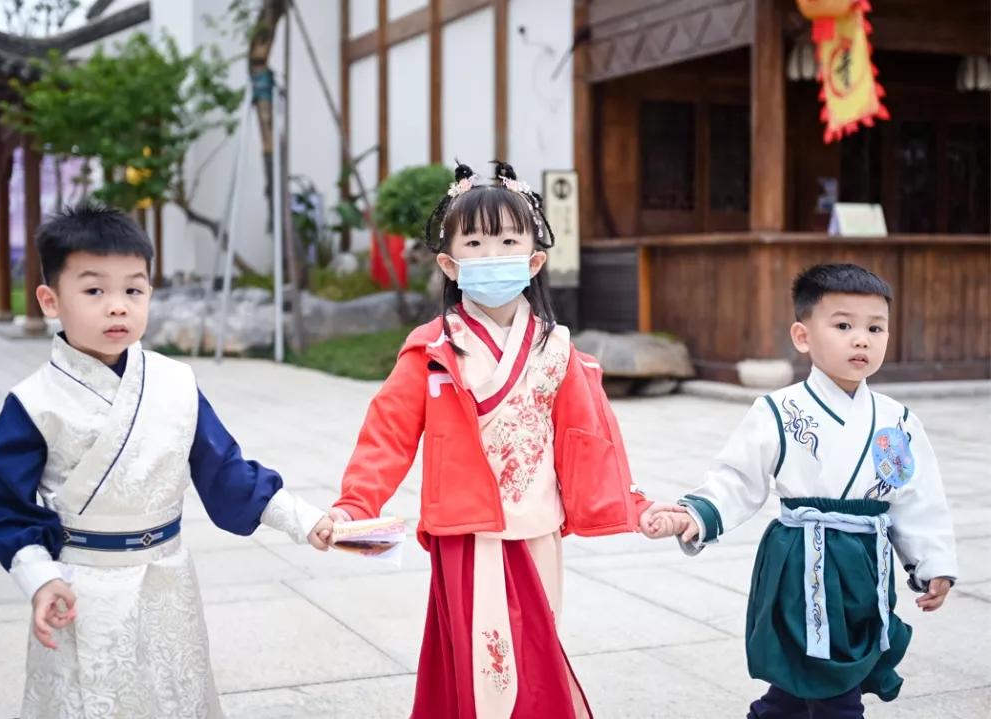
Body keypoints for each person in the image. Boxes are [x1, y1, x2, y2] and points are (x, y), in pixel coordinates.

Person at [328, 161, 681, 719]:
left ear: (534, 259)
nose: (492, 254)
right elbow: (387, 432)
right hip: (467, 533)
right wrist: (356, 503)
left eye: (508, 240)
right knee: (485, 665)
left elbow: (589, 441)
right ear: (449, 263)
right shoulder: (431, 349)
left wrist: (635, 506)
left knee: (536, 646)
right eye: (474, 241)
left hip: (539, 527)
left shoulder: (558, 351)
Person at [0, 201, 333, 719]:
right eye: (95, 290)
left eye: (133, 289)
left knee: (175, 694)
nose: (118, 306)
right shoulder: (34, 403)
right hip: (82, 586)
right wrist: (40, 577)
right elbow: (10, 507)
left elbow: (226, 472)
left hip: (168, 579)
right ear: (51, 299)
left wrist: (304, 519)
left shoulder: (175, 383)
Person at [647, 263, 958, 719]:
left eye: (876, 327)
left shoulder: (898, 420)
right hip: (802, 562)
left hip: (864, 563)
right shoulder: (778, 409)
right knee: (832, 684)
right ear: (803, 336)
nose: (861, 339)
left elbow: (916, 498)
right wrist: (693, 514)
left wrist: (933, 563)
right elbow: (738, 478)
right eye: (844, 325)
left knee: (799, 685)